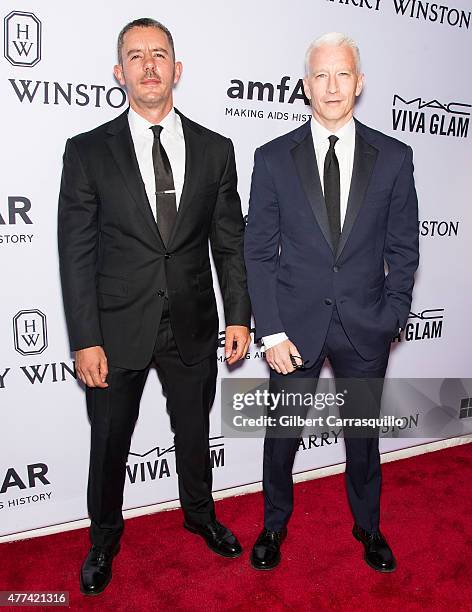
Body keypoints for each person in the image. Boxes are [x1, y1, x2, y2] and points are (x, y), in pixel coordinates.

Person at [58, 18, 251, 596]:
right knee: (110, 440)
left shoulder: (217, 150)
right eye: (136, 56)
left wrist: (239, 314)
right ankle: (104, 540)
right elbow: (76, 252)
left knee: (194, 432)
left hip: (192, 323)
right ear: (119, 73)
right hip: (116, 329)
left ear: (177, 69)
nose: (149, 65)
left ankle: (199, 515)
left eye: (159, 54)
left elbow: (229, 240)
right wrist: (84, 337)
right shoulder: (88, 151)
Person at [244, 32, 419, 572]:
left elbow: (404, 248)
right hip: (292, 330)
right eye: (321, 75)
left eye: (343, 74)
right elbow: (258, 251)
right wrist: (270, 331)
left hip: (365, 325)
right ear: (305, 86)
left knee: (363, 439)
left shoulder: (393, 157)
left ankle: (369, 526)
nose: (332, 86)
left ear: (359, 83)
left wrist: (392, 315)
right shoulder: (273, 159)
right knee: (282, 436)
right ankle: (273, 525)